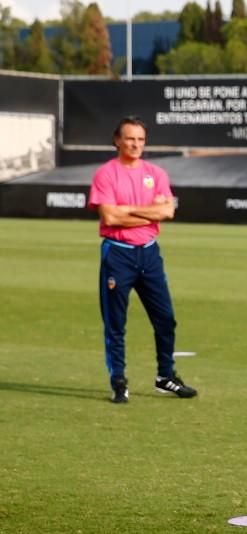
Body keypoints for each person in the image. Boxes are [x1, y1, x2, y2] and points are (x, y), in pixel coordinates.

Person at [88, 116, 197, 404]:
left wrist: (129, 211)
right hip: (117, 253)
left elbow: (167, 212)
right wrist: (148, 210)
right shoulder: (106, 174)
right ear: (117, 141)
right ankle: (119, 381)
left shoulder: (156, 173)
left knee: (165, 319)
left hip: (149, 253)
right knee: (116, 323)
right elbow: (109, 216)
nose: (135, 144)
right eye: (130, 138)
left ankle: (165, 377)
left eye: (140, 139)